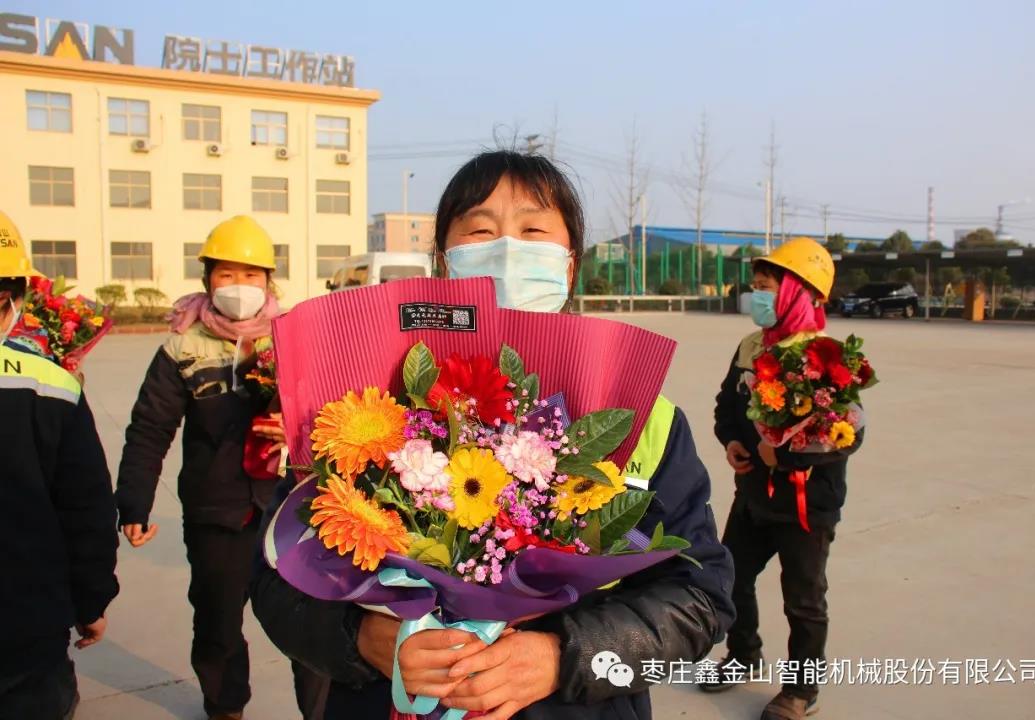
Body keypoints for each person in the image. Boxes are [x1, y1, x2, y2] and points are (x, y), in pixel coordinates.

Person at [250, 150, 736, 720]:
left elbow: (701, 596)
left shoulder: (641, 416)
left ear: (570, 265)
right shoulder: (364, 403)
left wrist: (563, 656)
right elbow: (276, 577)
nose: (507, 249)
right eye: (480, 231)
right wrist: (362, 640)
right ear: (443, 261)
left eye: (533, 231)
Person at [114, 215, 328, 720]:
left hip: (293, 511)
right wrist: (134, 502)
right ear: (207, 279)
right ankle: (225, 706)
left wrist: (298, 431)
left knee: (314, 623)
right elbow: (150, 427)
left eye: (250, 275)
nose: (238, 285)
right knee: (217, 623)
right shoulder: (183, 347)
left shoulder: (293, 338)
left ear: (269, 280)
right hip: (216, 510)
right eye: (226, 274)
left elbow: (333, 413)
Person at [701, 238, 863, 720]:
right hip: (753, 495)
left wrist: (786, 455)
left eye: (766, 287)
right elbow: (726, 405)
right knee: (730, 578)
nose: (757, 296)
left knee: (804, 601)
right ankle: (743, 655)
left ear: (799, 292)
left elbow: (847, 434)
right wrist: (732, 440)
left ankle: (801, 690)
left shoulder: (826, 356)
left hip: (806, 505)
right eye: (756, 286)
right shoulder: (751, 346)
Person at [0, 211, 119, 720]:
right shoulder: (51, 386)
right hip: (26, 627)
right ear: (16, 300)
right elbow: (86, 508)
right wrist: (91, 601)